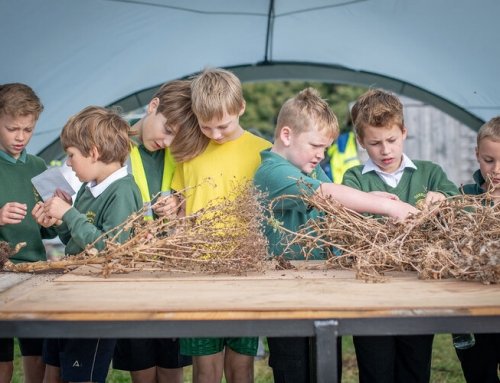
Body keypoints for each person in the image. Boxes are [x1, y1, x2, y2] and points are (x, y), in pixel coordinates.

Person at [253, 87, 420, 383]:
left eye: (326, 147)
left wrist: (373, 197)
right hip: (284, 294)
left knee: (326, 369)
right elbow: (326, 195)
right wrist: (385, 206)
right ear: (287, 136)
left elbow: (338, 205)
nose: (322, 154)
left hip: (319, 286)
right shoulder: (272, 171)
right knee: (294, 370)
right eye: (316, 145)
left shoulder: (309, 169)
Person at [342, 88, 460, 383]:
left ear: (404, 132)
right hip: (370, 294)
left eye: (392, 140)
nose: (385, 151)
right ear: (361, 142)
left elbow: (456, 205)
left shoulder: (430, 173)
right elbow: (350, 222)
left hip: (418, 291)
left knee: (415, 365)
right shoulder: (354, 179)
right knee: (375, 367)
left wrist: (441, 199)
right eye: (375, 143)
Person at [171, 67, 272, 383]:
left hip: (246, 271)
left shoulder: (262, 152)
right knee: (205, 368)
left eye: (223, 126)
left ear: (240, 108)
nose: (214, 135)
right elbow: (181, 210)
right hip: (198, 273)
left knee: (242, 367)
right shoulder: (188, 152)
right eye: (206, 126)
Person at [33, 106, 142, 383]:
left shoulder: (124, 192)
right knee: (53, 370)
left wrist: (70, 214)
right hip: (70, 297)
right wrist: (59, 220)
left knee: (81, 376)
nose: (68, 163)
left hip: (96, 305)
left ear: (93, 152)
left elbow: (110, 250)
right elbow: (75, 243)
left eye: (71, 155)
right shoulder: (87, 187)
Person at [112, 79, 204, 383]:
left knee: (171, 364)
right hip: (130, 270)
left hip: (169, 269)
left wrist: (176, 203)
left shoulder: (178, 155)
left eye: (174, 138)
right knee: (142, 364)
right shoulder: (113, 144)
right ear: (153, 106)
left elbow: (189, 199)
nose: (166, 142)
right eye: (166, 131)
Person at [0, 83, 52, 383]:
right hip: (1, 274)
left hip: (35, 271)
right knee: (2, 357)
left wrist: (50, 220)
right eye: (12, 129)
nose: (21, 137)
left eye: (28, 129)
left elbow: (50, 230)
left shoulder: (39, 165)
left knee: (36, 353)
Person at [455, 116, 500, 383]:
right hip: (471, 310)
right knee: (479, 374)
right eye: (489, 160)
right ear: (477, 155)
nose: (496, 170)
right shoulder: (464, 198)